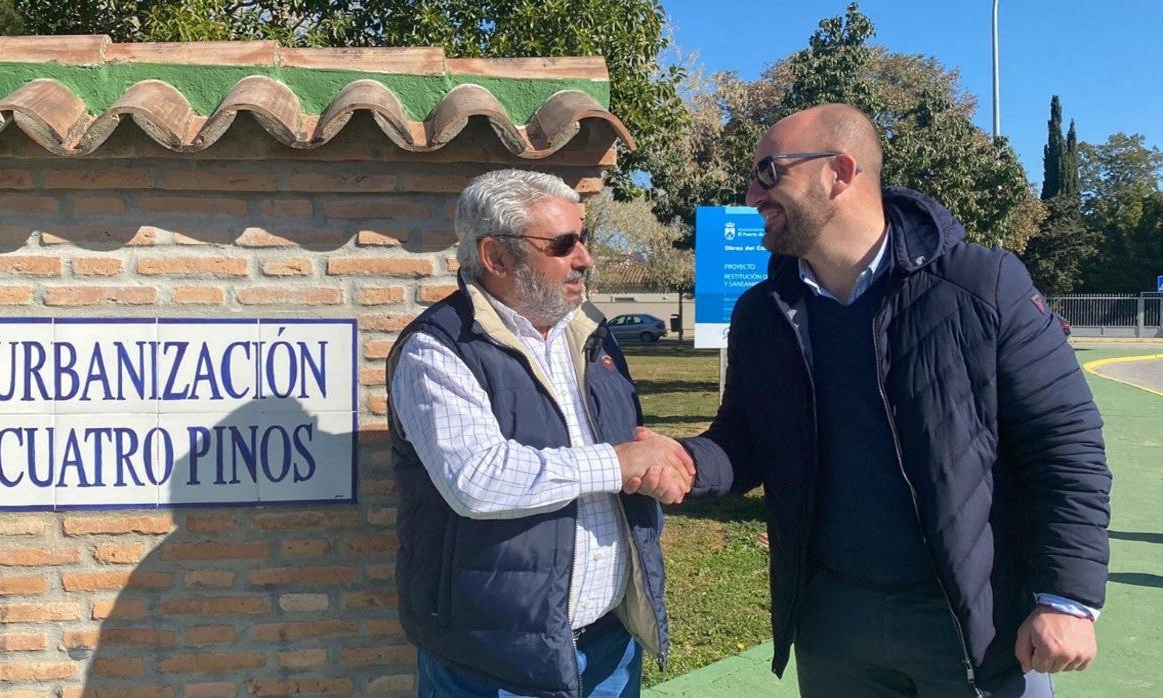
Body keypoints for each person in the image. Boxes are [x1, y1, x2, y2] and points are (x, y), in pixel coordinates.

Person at [679, 103, 1111, 697]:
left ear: (841, 171)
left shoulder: (983, 286)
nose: (753, 193)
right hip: (833, 623)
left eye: (769, 170)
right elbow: (744, 441)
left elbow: (1067, 445)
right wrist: (683, 462)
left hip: (970, 623)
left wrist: (1068, 597)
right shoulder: (764, 313)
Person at [387, 168, 695, 697]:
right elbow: (476, 479)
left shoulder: (590, 336)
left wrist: (656, 470)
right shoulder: (438, 349)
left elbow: (627, 443)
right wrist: (619, 463)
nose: (585, 258)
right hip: (495, 665)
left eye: (585, 238)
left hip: (609, 646)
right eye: (562, 243)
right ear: (497, 257)